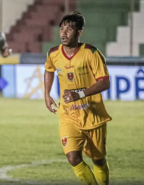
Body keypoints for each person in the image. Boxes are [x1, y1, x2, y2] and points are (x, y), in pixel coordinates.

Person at [44, 11, 112, 185]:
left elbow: (104, 83)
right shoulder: (53, 53)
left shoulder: (91, 53)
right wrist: (46, 93)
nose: (64, 33)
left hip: (93, 115)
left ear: (79, 32)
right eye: (62, 28)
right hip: (68, 116)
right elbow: (49, 69)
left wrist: (79, 94)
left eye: (69, 29)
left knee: (99, 160)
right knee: (73, 158)